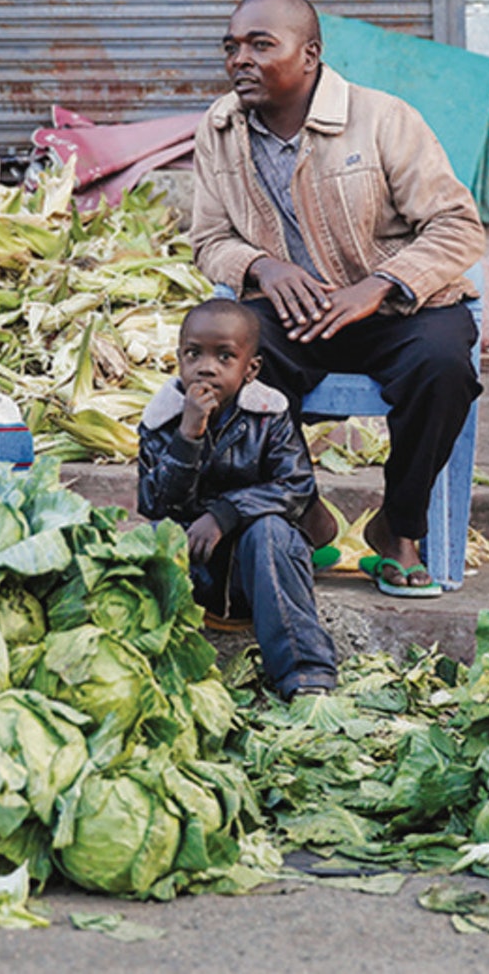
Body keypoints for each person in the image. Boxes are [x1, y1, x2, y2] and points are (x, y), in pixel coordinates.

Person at [190, 0, 486, 598]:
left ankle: (398, 529)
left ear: (310, 55)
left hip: (400, 309)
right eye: (231, 47)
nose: (239, 59)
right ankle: (306, 513)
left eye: (260, 44)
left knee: (443, 363)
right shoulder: (219, 129)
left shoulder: (384, 118)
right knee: (229, 363)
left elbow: (458, 225)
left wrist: (380, 285)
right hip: (293, 315)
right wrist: (263, 267)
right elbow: (209, 240)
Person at [137, 300, 335, 700]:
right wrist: (187, 438)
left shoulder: (269, 415)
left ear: (251, 369)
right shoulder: (161, 422)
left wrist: (226, 513)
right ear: (178, 359)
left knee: (271, 529)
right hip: (199, 573)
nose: (206, 367)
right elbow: (156, 504)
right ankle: (154, 666)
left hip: (259, 571)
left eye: (225, 356)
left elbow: (295, 486)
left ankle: (305, 675)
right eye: (194, 354)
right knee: (153, 539)